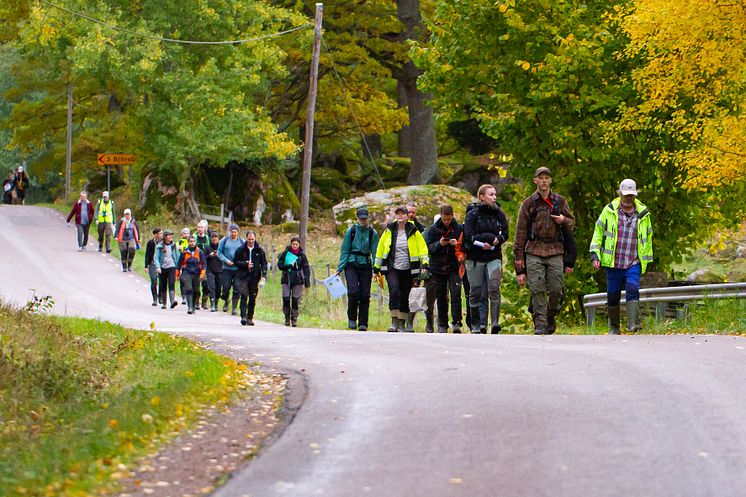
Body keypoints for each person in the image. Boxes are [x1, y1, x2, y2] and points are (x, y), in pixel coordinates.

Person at [514, 167, 576, 335]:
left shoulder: (560, 202)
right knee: (537, 287)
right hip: (534, 250)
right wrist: (519, 266)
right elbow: (520, 234)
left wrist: (563, 220)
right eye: (540, 178)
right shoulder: (529, 204)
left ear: (550, 181)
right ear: (535, 181)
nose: (543, 181)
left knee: (556, 288)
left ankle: (550, 314)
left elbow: (571, 222)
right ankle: (540, 323)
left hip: (555, 249)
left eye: (546, 178)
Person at [590, 179, 653, 335]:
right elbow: (598, 234)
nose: (628, 199)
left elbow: (648, 238)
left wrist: (646, 259)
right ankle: (614, 327)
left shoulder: (643, 214)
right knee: (613, 295)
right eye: (625, 195)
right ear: (619, 194)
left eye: (631, 196)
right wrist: (595, 255)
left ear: (635, 195)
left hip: (633, 261)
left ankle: (633, 324)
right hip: (613, 261)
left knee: (633, 289)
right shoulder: (609, 211)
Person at [374, 206, 430, 333]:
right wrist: (376, 267)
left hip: (408, 268)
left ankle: (402, 323)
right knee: (394, 291)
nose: (400, 216)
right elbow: (381, 248)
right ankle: (394, 322)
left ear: (407, 216)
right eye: (398, 214)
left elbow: (422, 248)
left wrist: (425, 263)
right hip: (391, 267)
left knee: (405, 295)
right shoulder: (389, 229)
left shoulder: (413, 230)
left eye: (402, 214)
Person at [463, 184, 509, 334]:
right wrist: (483, 243)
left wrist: (498, 240)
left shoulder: (499, 214)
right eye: (491, 194)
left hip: (493, 256)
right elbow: (469, 236)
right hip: (475, 258)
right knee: (476, 291)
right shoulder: (472, 214)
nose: (494, 197)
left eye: (495, 194)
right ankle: (477, 324)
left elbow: (506, 232)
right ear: (482, 197)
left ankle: (495, 323)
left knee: (494, 288)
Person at [336, 207, 379, 331]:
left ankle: (363, 322)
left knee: (365, 294)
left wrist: (376, 269)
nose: (363, 221)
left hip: (366, 264)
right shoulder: (352, 231)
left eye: (365, 218)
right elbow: (345, 249)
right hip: (351, 264)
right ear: (357, 218)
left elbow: (375, 251)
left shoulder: (372, 233)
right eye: (361, 218)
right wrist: (340, 267)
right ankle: (352, 319)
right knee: (353, 292)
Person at [424, 205, 464, 333]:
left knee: (456, 293)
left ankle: (457, 322)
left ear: (452, 216)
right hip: (437, 267)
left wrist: (455, 244)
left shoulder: (458, 228)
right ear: (441, 216)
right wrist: (439, 244)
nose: (446, 221)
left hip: (453, 266)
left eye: (449, 219)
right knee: (440, 296)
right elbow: (428, 248)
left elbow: (464, 245)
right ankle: (442, 324)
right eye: (444, 219)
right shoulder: (433, 229)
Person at [234, 231, 268, 326]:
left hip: (255, 277)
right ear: (246, 238)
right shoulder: (240, 250)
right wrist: (245, 264)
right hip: (243, 276)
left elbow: (264, 264)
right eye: (249, 239)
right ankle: (243, 316)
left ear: (255, 239)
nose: (251, 241)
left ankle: (250, 317)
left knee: (252, 297)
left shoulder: (259, 251)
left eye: (253, 239)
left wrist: (264, 275)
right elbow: (235, 261)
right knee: (244, 295)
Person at [277, 237, 311, 327]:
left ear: (299, 245)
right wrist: (288, 266)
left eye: (296, 244)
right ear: (291, 244)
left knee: (295, 299)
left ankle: (294, 318)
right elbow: (279, 265)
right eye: (293, 244)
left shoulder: (302, 255)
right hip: (286, 278)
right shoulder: (285, 253)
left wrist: (307, 280)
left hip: (297, 279)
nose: (295, 246)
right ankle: (287, 317)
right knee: (286, 298)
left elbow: (306, 268)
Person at [176, 235, 207, 314]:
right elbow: (179, 263)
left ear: (195, 242)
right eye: (190, 241)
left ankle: (193, 306)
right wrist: (177, 273)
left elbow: (204, 263)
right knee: (189, 289)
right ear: (188, 242)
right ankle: (189, 307)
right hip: (187, 272)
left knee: (196, 290)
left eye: (193, 241)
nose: (192, 243)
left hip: (197, 273)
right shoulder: (185, 252)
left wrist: (202, 273)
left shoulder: (200, 252)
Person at [218, 224, 244, 315]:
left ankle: (234, 308)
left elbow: (245, 253)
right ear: (230, 232)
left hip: (237, 269)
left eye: (235, 232)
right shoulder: (224, 241)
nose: (233, 233)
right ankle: (226, 300)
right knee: (225, 287)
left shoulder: (242, 242)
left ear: (238, 232)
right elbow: (219, 252)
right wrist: (225, 260)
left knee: (237, 288)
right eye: (232, 231)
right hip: (227, 268)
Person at [154, 230, 180, 309]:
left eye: (171, 235)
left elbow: (177, 256)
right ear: (165, 237)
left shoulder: (173, 245)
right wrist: (158, 267)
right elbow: (156, 257)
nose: (170, 237)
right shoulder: (160, 246)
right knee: (163, 285)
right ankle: (164, 304)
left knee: (172, 283)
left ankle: (172, 302)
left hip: (172, 267)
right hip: (163, 268)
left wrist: (179, 267)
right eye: (169, 235)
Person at [194, 220, 211, 310]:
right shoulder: (194, 237)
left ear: (205, 229)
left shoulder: (208, 238)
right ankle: (196, 301)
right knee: (196, 284)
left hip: (205, 264)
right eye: (199, 227)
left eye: (202, 227)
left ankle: (204, 301)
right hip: (195, 264)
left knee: (206, 284)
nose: (200, 229)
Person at [205, 231, 223, 312]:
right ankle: (212, 304)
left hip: (219, 270)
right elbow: (203, 258)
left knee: (218, 288)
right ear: (211, 239)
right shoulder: (207, 248)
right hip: (210, 269)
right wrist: (210, 255)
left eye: (216, 240)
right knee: (211, 287)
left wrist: (219, 255)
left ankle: (216, 303)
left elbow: (224, 258)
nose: (214, 241)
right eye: (213, 240)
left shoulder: (221, 248)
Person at [145, 227, 163, 306]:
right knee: (154, 280)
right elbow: (147, 254)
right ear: (155, 234)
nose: (161, 235)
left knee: (162, 281)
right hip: (152, 264)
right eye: (159, 233)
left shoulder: (164, 242)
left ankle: (160, 296)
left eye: (161, 233)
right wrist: (146, 265)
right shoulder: (150, 243)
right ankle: (154, 298)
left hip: (162, 264)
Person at [176, 228, 191, 304]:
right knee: (182, 280)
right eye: (184, 233)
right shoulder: (179, 242)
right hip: (181, 263)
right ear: (182, 235)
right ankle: (184, 296)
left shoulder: (191, 242)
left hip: (189, 264)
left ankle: (189, 295)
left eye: (187, 233)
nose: (186, 235)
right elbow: (176, 252)